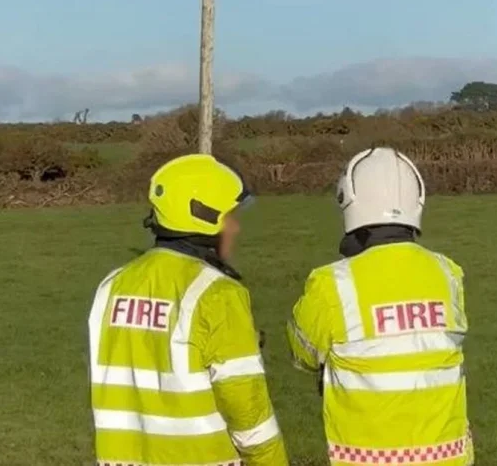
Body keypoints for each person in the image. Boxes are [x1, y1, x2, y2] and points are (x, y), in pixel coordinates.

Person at [88, 153, 288, 466]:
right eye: (230, 217)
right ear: (205, 218)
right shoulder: (218, 294)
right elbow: (248, 412)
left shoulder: (110, 286)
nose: (235, 228)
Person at [286, 147, 473, 465]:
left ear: (349, 201)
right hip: (448, 456)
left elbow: (302, 354)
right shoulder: (448, 273)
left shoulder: (332, 283)